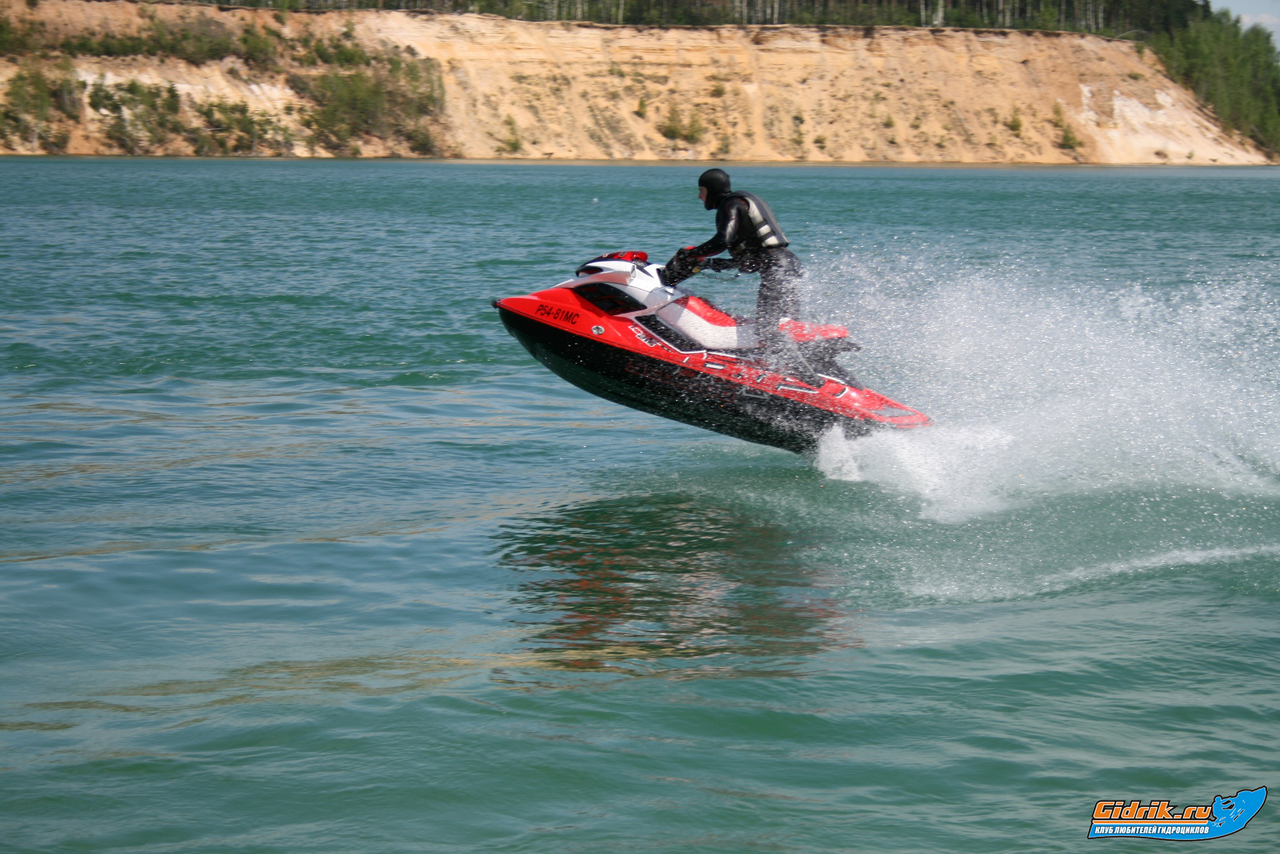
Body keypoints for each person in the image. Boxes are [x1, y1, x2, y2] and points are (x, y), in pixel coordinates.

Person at [671, 168, 806, 370]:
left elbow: (722, 241)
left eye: (701, 191)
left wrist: (690, 254)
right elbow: (752, 262)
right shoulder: (741, 203)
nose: (699, 197)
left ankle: (801, 374)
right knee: (786, 326)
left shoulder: (731, 204)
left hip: (778, 269)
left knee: (766, 330)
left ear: (711, 189)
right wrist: (710, 264)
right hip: (787, 265)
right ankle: (798, 367)